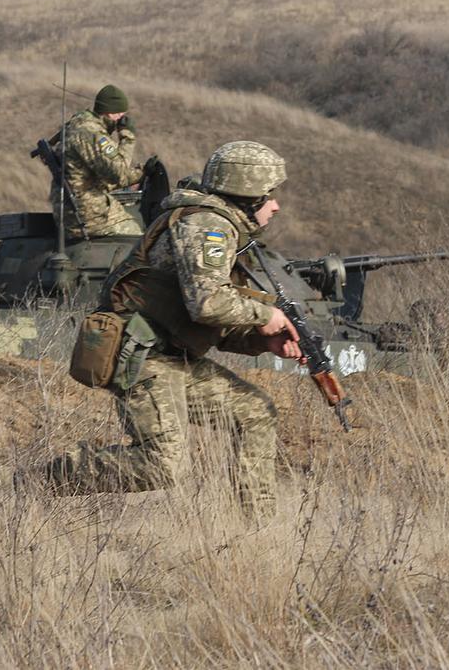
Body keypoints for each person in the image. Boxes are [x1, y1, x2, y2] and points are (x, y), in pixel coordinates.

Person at [43, 140, 303, 520]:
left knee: (255, 411)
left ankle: (257, 527)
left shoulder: (222, 228)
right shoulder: (207, 226)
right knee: (162, 465)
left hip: (171, 356)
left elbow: (206, 320)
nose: (275, 205)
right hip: (142, 354)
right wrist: (266, 316)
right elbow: (209, 302)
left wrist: (263, 342)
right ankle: (41, 480)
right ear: (247, 194)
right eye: (268, 196)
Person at [52, 84, 144, 240]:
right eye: (120, 115)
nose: (121, 121)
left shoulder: (76, 127)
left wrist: (138, 174)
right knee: (138, 239)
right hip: (90, 216)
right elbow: (119, 174)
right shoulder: (92, 134)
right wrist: (128, 137)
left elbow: (98, 178)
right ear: (110, 112)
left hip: (73, 212)